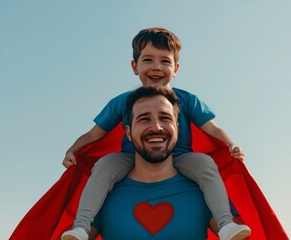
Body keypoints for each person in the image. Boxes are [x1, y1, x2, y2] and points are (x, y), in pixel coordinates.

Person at [61, 27, 251, 240]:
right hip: (132, 157)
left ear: (176, 68)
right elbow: (94, 134)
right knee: (103, 167)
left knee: (206, 165)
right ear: (135, 66)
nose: (157, 67)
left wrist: (231, 145)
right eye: (148, 60)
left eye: (165, 61)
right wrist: (73, 149)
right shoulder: (123, 102)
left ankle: (225, 223)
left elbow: (212, 128)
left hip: (181, 157)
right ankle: (81, 227)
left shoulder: (187, 99)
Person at [89, 86, 214, 239]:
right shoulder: (101, 194)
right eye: (144, 119)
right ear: (128, 132)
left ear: (177, 128)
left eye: (165, 118)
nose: (156, 127)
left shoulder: (206, 192)